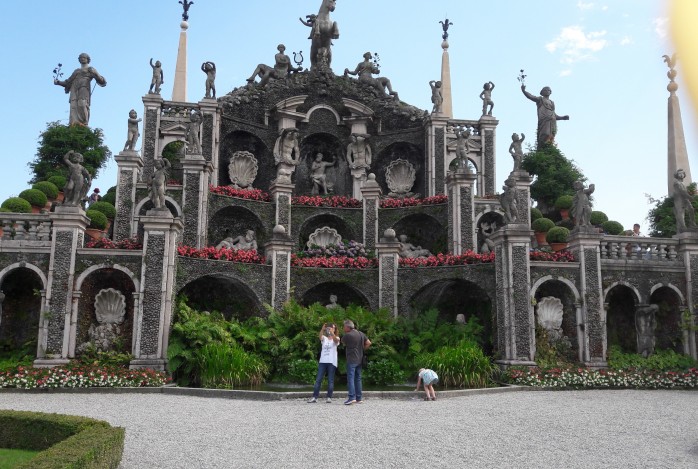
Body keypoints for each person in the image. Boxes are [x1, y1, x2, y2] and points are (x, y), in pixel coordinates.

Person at [54, 53, 107, 126]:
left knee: (82, 104)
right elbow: (68, 82)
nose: (82, 58)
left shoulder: (91, 69)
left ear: (88, 59)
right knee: (73, 106)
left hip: (84, 88)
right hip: (74, 89)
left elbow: (102, 81)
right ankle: (73, 124)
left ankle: (84, 123)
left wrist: (96, 73)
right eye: (81, 57)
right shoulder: (76, 71)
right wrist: (58, 82)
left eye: (84, 57)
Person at [308, 323, 340, 403]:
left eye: (332, 328)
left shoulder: (337, 338)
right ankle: (314, 397)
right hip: (323, 361)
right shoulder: (325, 338)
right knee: (318, 380)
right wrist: (322, 329)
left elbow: (336, 340)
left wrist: (332, 332)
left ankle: (329, 397)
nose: (329, 330)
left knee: (330, 380)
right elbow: (320, 337)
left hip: (331, 362)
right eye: (329, 328)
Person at [340, 319, 371, 405]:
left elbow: (342, 342)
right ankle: (359, 398)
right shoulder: (361, 333)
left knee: (350, 378)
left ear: (347, 327)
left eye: (344, 326)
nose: (343, 328)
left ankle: (351, 397)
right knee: (358, 378)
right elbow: (368, 343)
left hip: (351, 359)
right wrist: (362, 349)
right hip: (360, 359)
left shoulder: (347, 335)